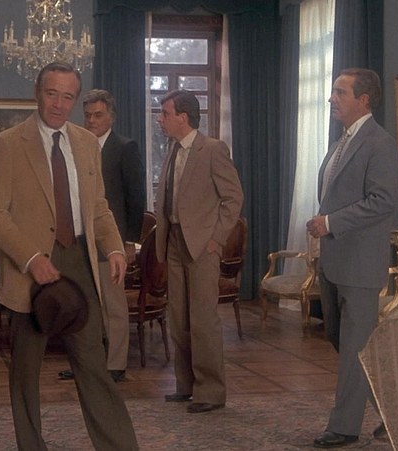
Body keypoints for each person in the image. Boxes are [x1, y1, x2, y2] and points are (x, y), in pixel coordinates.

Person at [0, 62, 138, 450]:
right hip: (30, 269)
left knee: (94, 364)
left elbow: (98, 206)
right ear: (37, 92)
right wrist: (31, 258)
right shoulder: (10, 143)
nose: (59, 103)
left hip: (79, 264)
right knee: (25, 370)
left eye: (68, 96)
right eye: (52, 93)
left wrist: (114, 246)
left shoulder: (86, 143)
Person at [306, 68, 398, 448]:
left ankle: (344, 427)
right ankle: (395, 413)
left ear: (363, 99)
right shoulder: (340, 143)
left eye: (340, 92)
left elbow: (383, 202)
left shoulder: (381, 144)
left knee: (353, 349)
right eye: (333, 92)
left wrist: (330, 222)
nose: (332, 98)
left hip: (360, 263)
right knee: (342, 340)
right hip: (334, 261)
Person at [154, 89, 243, 414]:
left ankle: (210, 392)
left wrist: (216, 239)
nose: (160, 119)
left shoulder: (212, 149)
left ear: (183, 117)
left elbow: (233, 197)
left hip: (202, 245)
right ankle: (186, 385)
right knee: (179, 318)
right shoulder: (173, 149)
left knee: (203, 319)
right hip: (174, 242)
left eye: (165, 113)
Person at [57, 89, 146, 383]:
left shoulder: (124, 148)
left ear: (111, 117)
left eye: (98, 115)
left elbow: (136, 198)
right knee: (84, 305)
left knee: (113, 306)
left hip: (111, 241)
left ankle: (115, 364)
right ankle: (86, 363)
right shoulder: (77, 145)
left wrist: (129, 241)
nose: (92, 121)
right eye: (88, 115)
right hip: (79, 240)